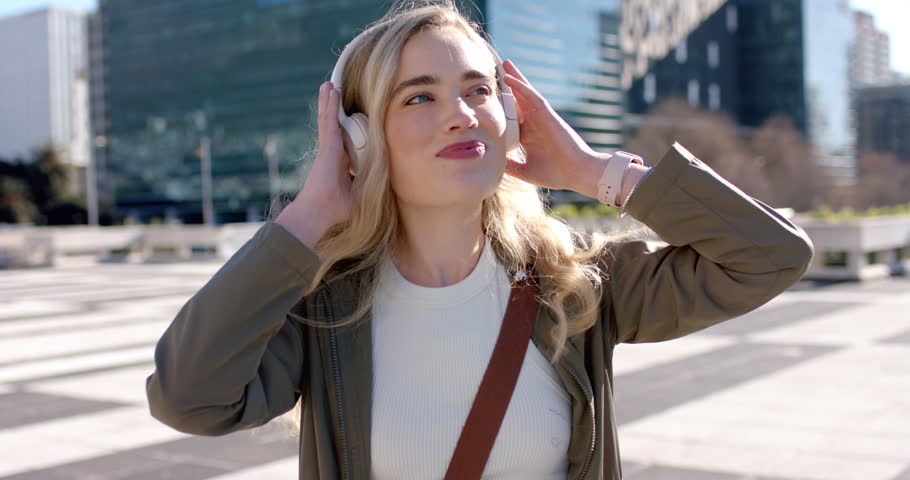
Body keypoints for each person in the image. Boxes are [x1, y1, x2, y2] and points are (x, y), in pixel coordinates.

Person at [145, 1, 814, 479]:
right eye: (419, 97)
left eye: (478, 90)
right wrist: (309, 217)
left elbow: (771, 256)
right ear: (357, 135)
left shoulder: (577, 285)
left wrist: (593, 172)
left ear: (509, 114)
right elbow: (189, 397)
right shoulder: (322, 310)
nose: (461, 114)